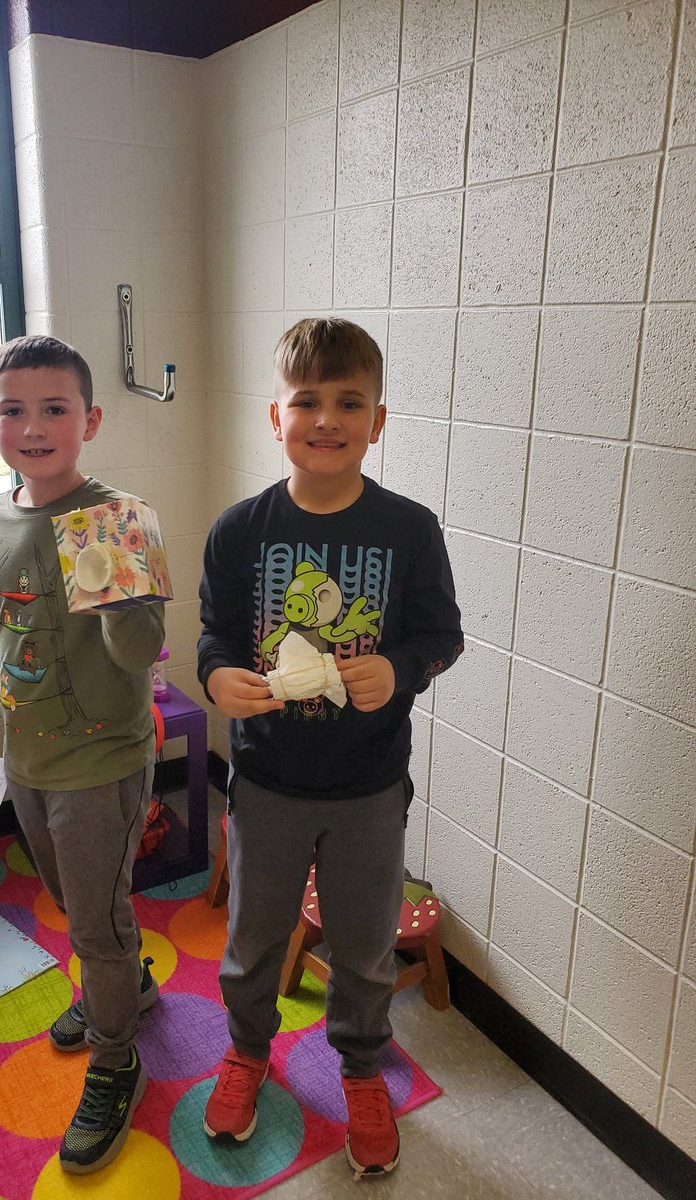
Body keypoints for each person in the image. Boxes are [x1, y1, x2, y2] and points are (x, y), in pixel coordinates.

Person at [197, 317, 463, 1180]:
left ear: (377, 421)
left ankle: (360, 1065)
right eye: (305, 400)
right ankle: (246, 1051)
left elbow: (443, 635)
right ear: (275, 417)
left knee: (363, 943)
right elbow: (214, 636)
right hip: (268, 778)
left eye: (349, 401)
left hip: (368, 786)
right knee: (252, 936)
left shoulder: (410, 529)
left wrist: (402, 665)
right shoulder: (239, 531)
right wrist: (217, 679)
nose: (326, 418)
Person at [0, 335, 165, 1175]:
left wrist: (111, 585)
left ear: (88, 420)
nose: (34, 425)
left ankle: (115, 1054)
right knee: (78, 906)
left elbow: (141, 655)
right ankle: (128, 986)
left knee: (93, 924)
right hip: (28, 764)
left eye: (54, 408)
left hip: (104, 765)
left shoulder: (115, 518)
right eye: (13, 410)